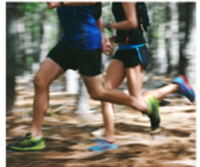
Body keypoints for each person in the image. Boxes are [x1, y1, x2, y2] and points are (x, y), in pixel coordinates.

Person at [7, 0, 161, 151]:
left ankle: (146, 107)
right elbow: (96, 11)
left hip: (86, 43)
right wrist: (102, 36)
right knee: (40, 80)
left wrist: (61, 2)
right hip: (68, 41)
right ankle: (35, 137)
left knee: (97, 93)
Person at [88, 0, 195, 151]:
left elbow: (133, 23)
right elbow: (128, 25)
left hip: (135, 50)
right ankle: (109, 140)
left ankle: (176, 86)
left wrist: (107, 25)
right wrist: (117, 37)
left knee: (136, 100)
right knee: (104, 93)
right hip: (123, 49)